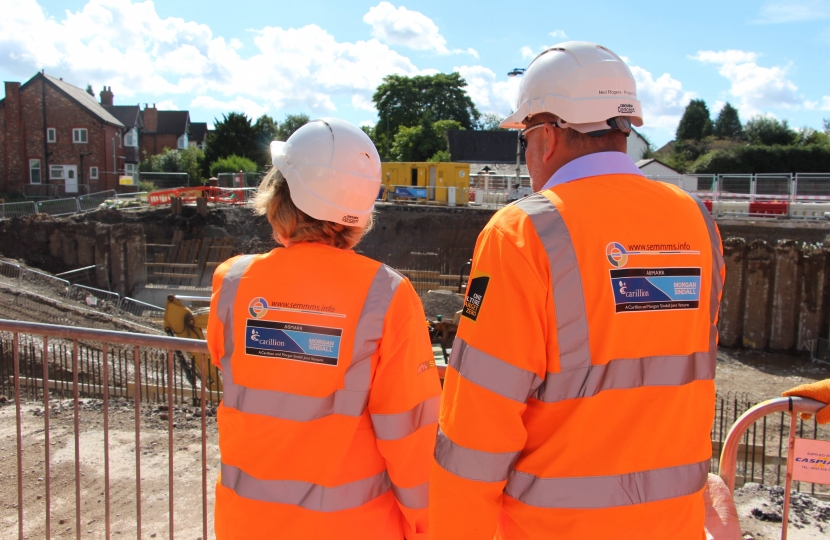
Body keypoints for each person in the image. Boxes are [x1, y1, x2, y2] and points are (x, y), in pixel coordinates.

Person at [430, 41, 726, 539]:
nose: (527, 156)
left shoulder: (521, 233)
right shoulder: (697, 221)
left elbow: (476, 430)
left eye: (523, 139)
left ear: (547, 136)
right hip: (673, 525)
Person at [208, 118, 441, 539]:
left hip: (245, 525)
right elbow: (411, 438)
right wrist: (429, 529)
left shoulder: (232, 283)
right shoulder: (386, 295)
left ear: (280, 195)